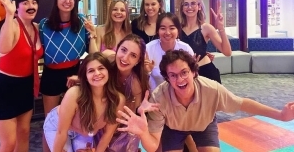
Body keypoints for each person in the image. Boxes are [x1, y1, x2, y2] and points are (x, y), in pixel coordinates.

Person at [117, 49, 294, 152]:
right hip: (174, 127)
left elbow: (242, 103)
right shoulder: (158, 98)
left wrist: (280, 115)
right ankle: (187, 140)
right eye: (173, 75)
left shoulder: (211, 89)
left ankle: (191, 141)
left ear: (193, 72)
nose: (179, 80)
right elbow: (152, 146)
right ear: (167, 79)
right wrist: (142, 133)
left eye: (184, 73)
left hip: (204, 124)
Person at [39, 0, 96, 152]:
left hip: (75, 73)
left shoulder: (81, 21)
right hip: (52, 74)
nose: (67, 1)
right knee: (50, 121)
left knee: (75, 118)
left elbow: (93, 54)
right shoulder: (45, 25)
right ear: (56, 1)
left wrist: (92, 34)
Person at [0, 0, 43, 152]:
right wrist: (9, 15)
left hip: (25, 86)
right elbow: (3, 49)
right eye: (25, 3)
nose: (30, 6)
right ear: (17, 7)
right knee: (9, 143)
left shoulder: (37, 28)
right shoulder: (12, 24)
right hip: (4, 86)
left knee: (24, 133)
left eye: (34, 2)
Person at [43, 52, 126, 152]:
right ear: (85, 77)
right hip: (57, 126)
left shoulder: (118, 100)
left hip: (84, 132)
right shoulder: (74, 94)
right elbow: (61, 132)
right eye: (91, 70)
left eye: (101, 68)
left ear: (108, 71)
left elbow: (108, 133)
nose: (97, 73)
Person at [180, 0, 231, 83]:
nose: (189, 7)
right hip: (185, 75)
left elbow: (227, 52)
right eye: (186, 4)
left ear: (199, 7)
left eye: (193, 3)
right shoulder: (177, 29)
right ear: (182, 8)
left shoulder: (206, 28)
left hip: (206, 73)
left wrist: (221, 28)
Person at [145, 12, 194, 91]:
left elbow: (193, 77)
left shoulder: (185, 48)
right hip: (156, 96)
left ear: (178, 30)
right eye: (163, 28)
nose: (167, 32)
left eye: (172, 28)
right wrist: (147, 72)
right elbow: (141, 80)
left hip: (181, 93)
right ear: (157, 31)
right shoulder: (149, 49)